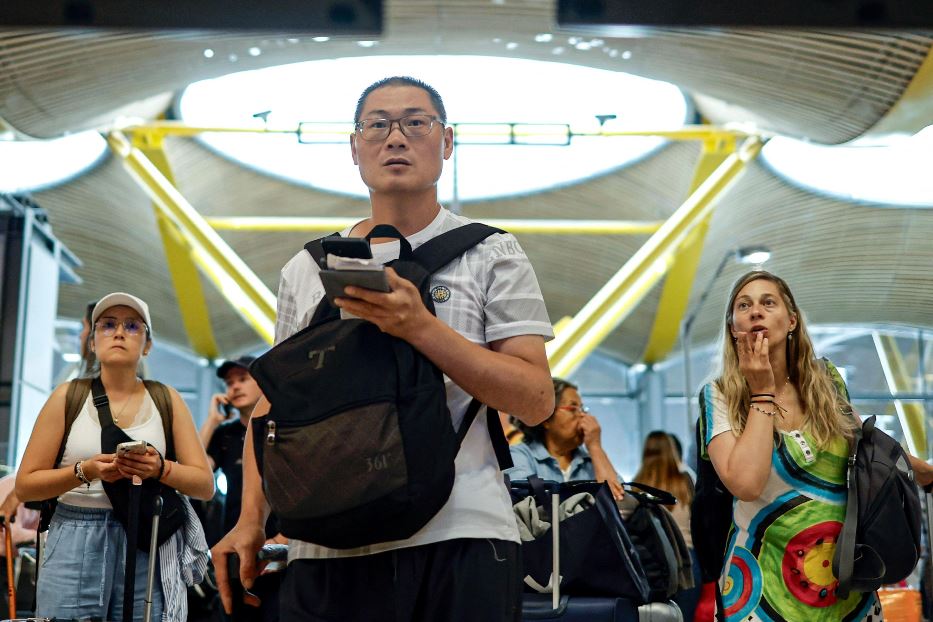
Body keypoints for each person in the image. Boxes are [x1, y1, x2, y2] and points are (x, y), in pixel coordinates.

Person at [212, 76, 554, 622]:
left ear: (446, 143)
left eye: (416, 123)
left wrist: (421, 327)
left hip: (459, 529)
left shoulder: (492, 252)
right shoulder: (305, 269)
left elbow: (536, 399)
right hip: (323, 541)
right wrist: (250, 517)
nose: (396, 138)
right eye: (377, 125)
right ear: (354, 147)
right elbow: (274, 406)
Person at [702, 270, 933, 622]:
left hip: (846, 587)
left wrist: (926, 474)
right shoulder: (718, 395)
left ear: (791, 320)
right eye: (743, 305)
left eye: (768, 302)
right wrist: (761, 390)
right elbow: (745, 484)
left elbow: (872, 451)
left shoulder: (826, 381)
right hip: (762, 595)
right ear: (734, 327)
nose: (755, 311)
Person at [15, 292, 215, 621]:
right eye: (107, 325)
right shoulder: (68, 397)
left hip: (143, 536)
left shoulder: (167, 400)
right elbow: (26, 486)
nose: (119, 332)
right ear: (92, 342)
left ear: (147, 344)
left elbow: (204, 485)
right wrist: (85, 471)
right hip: (74, 533)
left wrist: (159, 468)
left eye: (132, 326)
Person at [507, 377, 624, 500]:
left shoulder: (592, 462)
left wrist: (595, 447)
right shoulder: (519, 456)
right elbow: (526, 503)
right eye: (573, 409)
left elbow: (623, 503)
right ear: (545, 418)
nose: (583, 415)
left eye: (583, 409)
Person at [634, 431, 699, 620]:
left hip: (649, 562)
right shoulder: (685, 482)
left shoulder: (637, 486)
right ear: (672, 450)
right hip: (687, 561)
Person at [199, 355, 263, 540]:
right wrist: (212, 421)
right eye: (229, 383)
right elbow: (196, 468)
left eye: (243, 379)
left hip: (279, 537)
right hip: (234, 536)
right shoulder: (225, 434)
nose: (234, 387)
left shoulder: (280, 427)